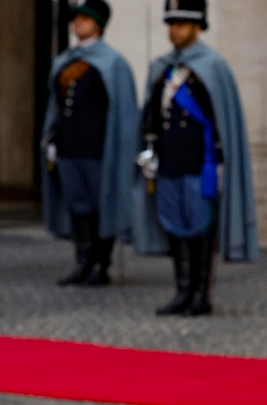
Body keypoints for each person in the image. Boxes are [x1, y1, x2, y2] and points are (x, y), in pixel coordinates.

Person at [134, 0, 259, 316]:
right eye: (171, 25)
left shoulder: (212, 67)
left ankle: (201, 295)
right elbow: (152, 114)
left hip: (201, 164)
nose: (175, 31)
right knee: (174, 226)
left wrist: (221, 163)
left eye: (182, 25)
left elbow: (222, 121)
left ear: (197, 27)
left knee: (201, 228)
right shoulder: (162, 68)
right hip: (169, 163)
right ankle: (182, 291)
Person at [41, 0, 139, 287]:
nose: (78, 23)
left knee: (100, 205)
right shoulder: (65, 61)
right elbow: (57, 106)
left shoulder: (113, 63)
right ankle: (83, 262)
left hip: (98, 149)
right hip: (68, 147)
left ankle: (101, 264)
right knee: (78, 205)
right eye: (76, 19)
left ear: (98, 24)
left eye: (84, 19)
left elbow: (123, 112)